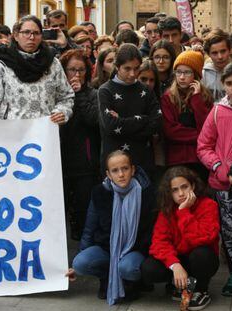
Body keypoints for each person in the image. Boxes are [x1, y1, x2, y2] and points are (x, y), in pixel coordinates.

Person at [71, 150, 156, 305]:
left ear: (133, 169)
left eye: (125, 168)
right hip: (107, 249)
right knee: (80, 263)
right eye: (115, 171)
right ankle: (107, 278)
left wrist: (144, 257)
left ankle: (134, 282)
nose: (121, 174)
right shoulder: (99, 193)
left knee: (128, 267)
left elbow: (152, 231)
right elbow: (89, 229)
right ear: (108, 174)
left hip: (136, 250)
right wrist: (82, 253)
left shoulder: (147, 192)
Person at [197, 62, 232, 297]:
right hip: (223, 184)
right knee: (229, 232)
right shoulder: (218, 111)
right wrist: (219, 167)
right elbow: (203, 146)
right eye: (229, 83)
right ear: (223, 84)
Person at [141, 166, 219, 311]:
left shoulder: (208, 205)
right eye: (175, 190)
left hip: (200, 258)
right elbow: (159, 242)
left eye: (184, 187)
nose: (181, 193)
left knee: (201, 254)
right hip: (180, 259)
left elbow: (203, 238)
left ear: (193, 186)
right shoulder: (166, 210)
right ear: (169, 193)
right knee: (149, 268)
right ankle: (180, 284)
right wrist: (174, 265)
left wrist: (184, 212)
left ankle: (200, 290)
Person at [0, 15, 74, 122]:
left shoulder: (52, 63)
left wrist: (61, 112)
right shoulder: (3, 65)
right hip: (13, 133)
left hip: (46, 130)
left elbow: (66, 97)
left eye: (36, 33)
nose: (31, 37)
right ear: (16, 35)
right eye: (26, 32)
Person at [98, 43, 161, 177]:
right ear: (117, 66)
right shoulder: (105, 90)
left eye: (136, 68)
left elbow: (157, 123)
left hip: (142, 160)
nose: (132, 74)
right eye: (127, 68)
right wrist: (142, 119)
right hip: (115, 163)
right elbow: (110, 126)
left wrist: (122, 122)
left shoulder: (146, 90)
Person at [59, 49, 100, 241]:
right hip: (60, 163)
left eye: (81, 70)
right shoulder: (56, 94)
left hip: (85, 165)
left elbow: (94, 120)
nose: (76, 74)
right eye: (71, 70)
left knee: (84, 212)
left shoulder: (94, 94)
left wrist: (79, 94)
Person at [161, 50, 212, 181]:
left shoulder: (204, 97)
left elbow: (207, 127)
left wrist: (196, 99)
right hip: (176, 160)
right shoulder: (168, 98)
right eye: (178, 72)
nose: (182, 77)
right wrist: (199, 136)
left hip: (199, 159)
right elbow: (171, 131)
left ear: (195, 75)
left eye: (187, 72)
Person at [202, 29, 230, 102]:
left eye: (223, 51)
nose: (220, 57)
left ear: (229, 50)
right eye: (215, 53)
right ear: (209, 54)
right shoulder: (204, 75)